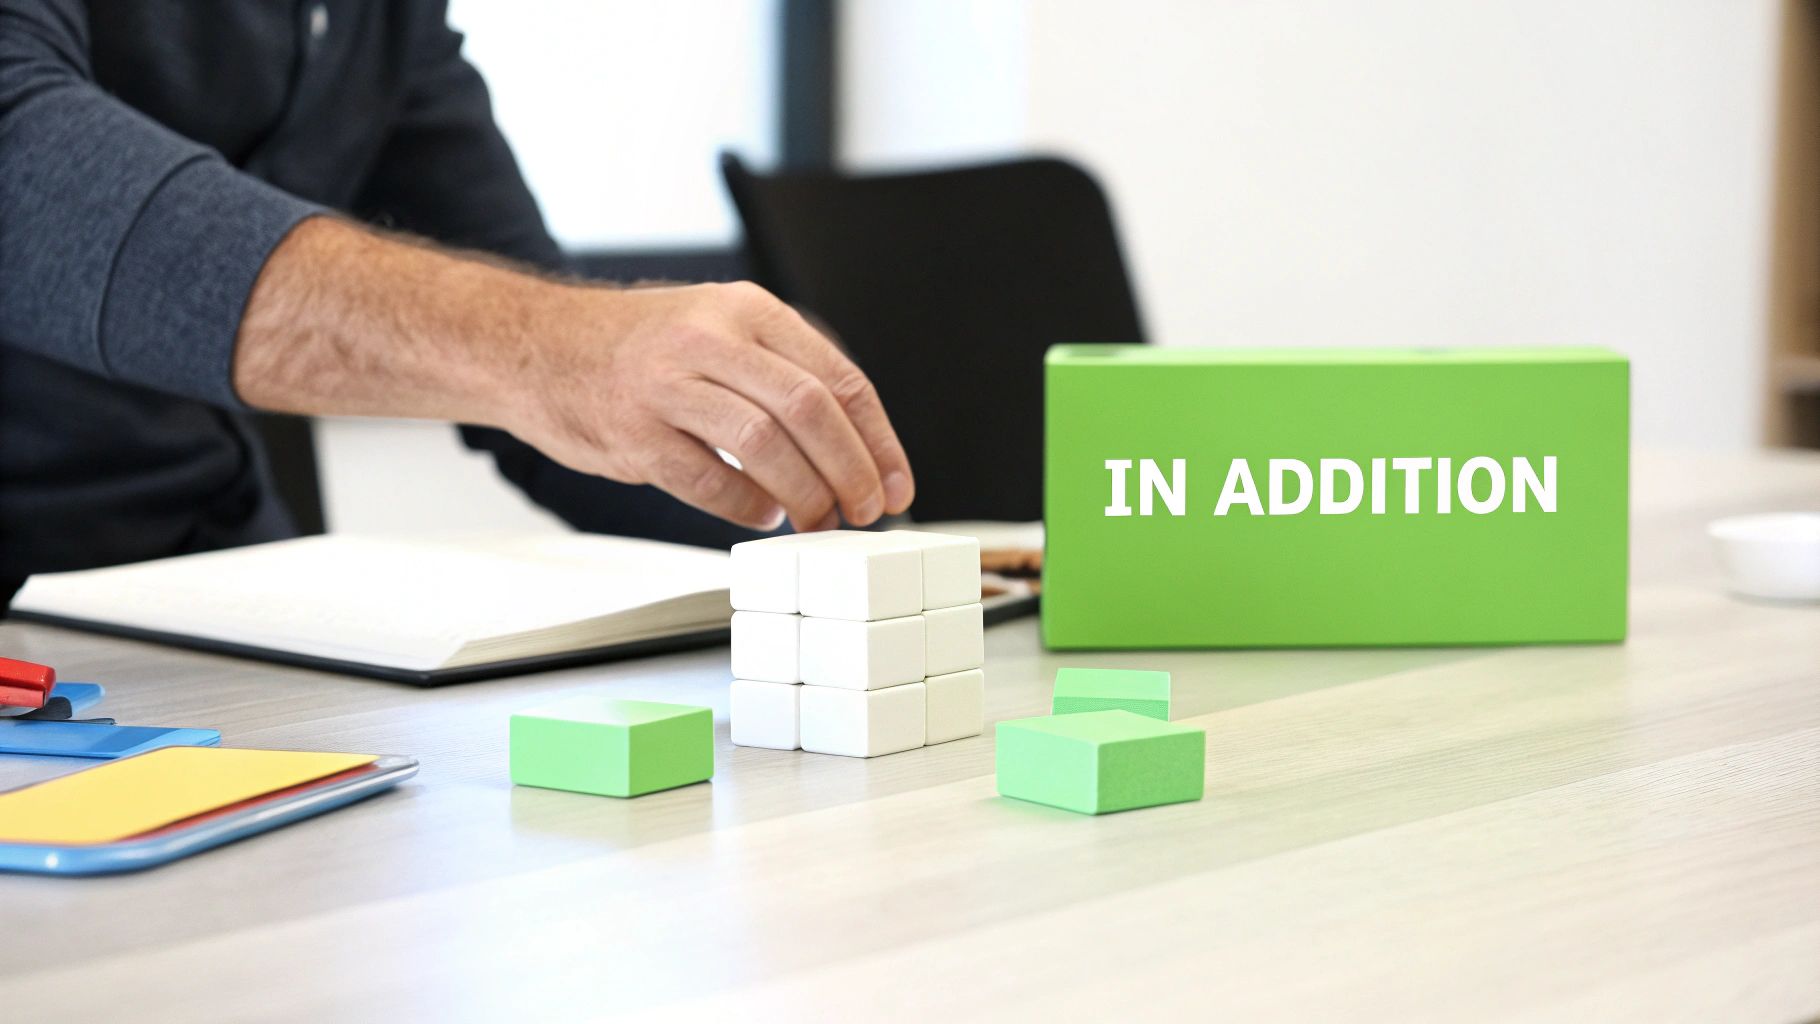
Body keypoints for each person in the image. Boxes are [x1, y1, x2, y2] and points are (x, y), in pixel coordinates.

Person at [0, 0, 916, 607]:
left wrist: (842, 557)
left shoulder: (375, 23)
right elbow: (21, 158)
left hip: (214, 583)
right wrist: (557, 352)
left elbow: (551, 385)